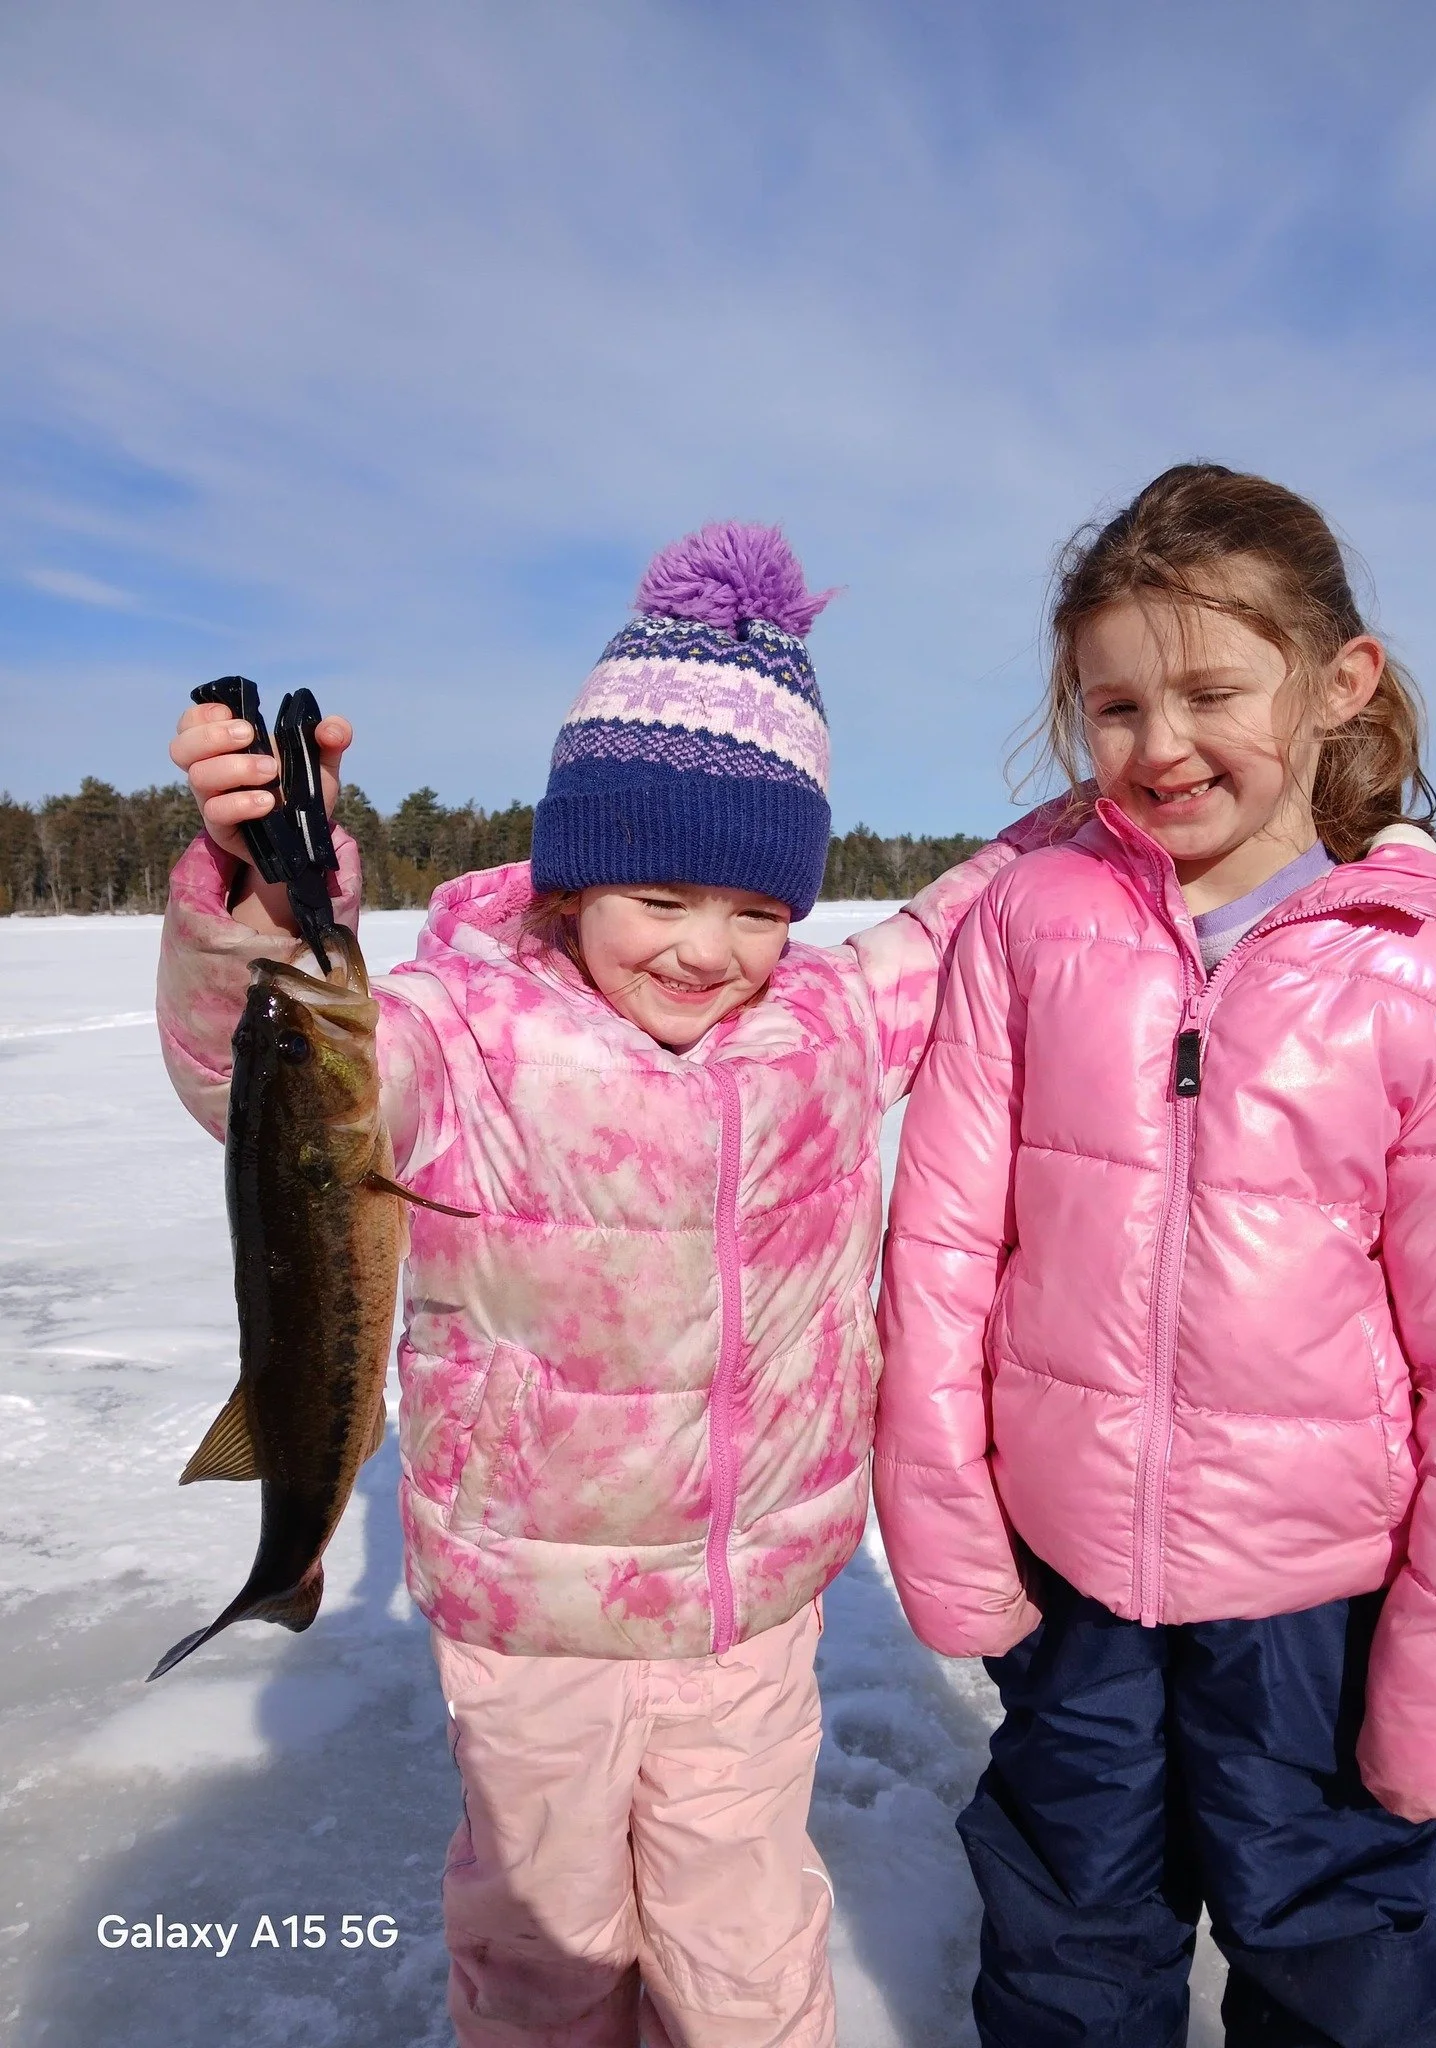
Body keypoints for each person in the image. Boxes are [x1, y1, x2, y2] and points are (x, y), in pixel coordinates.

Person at [158, 521, 1052, 2048]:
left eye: (762, 911)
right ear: (571, 877)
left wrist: (1108, 805)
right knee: (544, 1941)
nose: (712, 952)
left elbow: (944, 926)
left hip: (749, 1617)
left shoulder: (823, 1025)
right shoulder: (461, 1030)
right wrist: (256, 906)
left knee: (745, 1940)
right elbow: (265, 1087)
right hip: (532, 1622)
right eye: (662, 899)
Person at [872, 464, 1436, 2048]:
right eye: (1113, 706)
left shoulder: (1428, 973)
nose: (1159, 745)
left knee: (1336, 1940)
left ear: (1338, 684)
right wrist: (953, 1523)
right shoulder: (1032, 923)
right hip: (1076, 1573)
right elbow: (945, 1248)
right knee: (1065, 1922)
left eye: (1210, 689)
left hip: (1323, 1594)